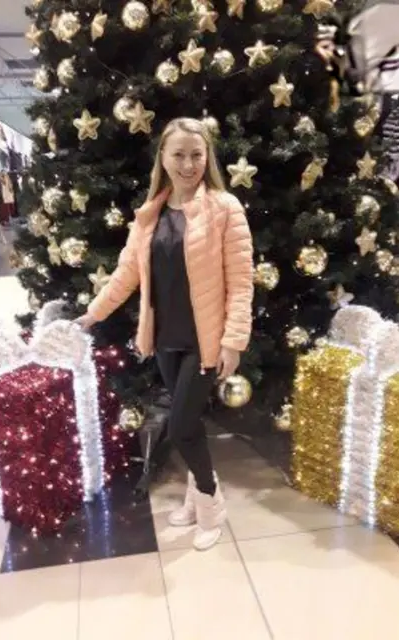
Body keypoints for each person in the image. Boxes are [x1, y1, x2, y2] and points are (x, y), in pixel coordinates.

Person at [77, 117, 254, 551]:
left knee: (180, 427)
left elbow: (241, 282)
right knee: (188, 426)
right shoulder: (150, 213)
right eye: (179, 154)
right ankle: (196, 497)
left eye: (196, 154)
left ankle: (211, 504)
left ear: (208, 157)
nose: (188, 164)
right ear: (163, 157)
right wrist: (92, 315)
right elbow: (125, 275)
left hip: (204, 341)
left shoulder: (225, 208)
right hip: (165, 340)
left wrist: (233, 341)